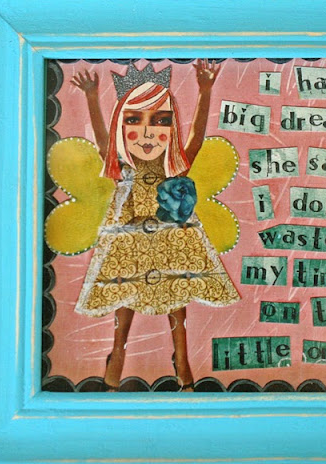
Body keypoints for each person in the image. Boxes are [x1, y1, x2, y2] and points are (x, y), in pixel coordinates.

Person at [71, 60, 239, 391]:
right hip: (130, 235)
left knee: (176, 293)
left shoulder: (172, 166)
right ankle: (118, 353)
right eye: (134, 120)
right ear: (120, 125)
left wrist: (205, 91)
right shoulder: (123, 165)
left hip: (169, 234)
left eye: (161, 122)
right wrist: (91, 98)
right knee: (125, 290)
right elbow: (104, 145)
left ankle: (182, 358)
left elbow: (196, 140)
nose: (149, 133)